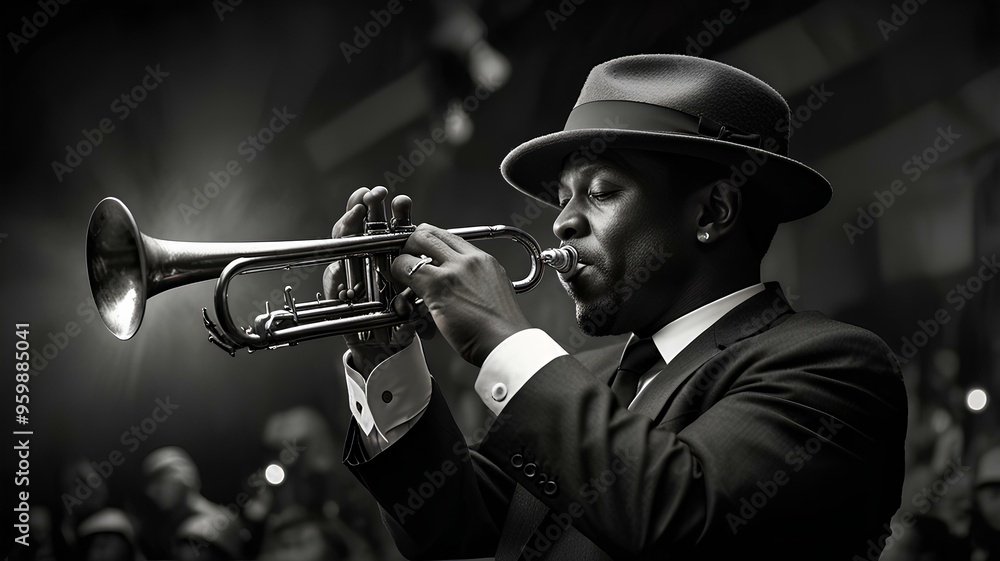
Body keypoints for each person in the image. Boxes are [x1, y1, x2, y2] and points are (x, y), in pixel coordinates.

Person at [323, 54, 908, 560]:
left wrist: (504, 340)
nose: (561, 221)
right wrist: (389, 359)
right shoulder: (592, 382)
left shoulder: (832, 366)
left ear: (712, 214)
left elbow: (681, 517)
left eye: (600, 192)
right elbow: (447, 527)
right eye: (562, 198)